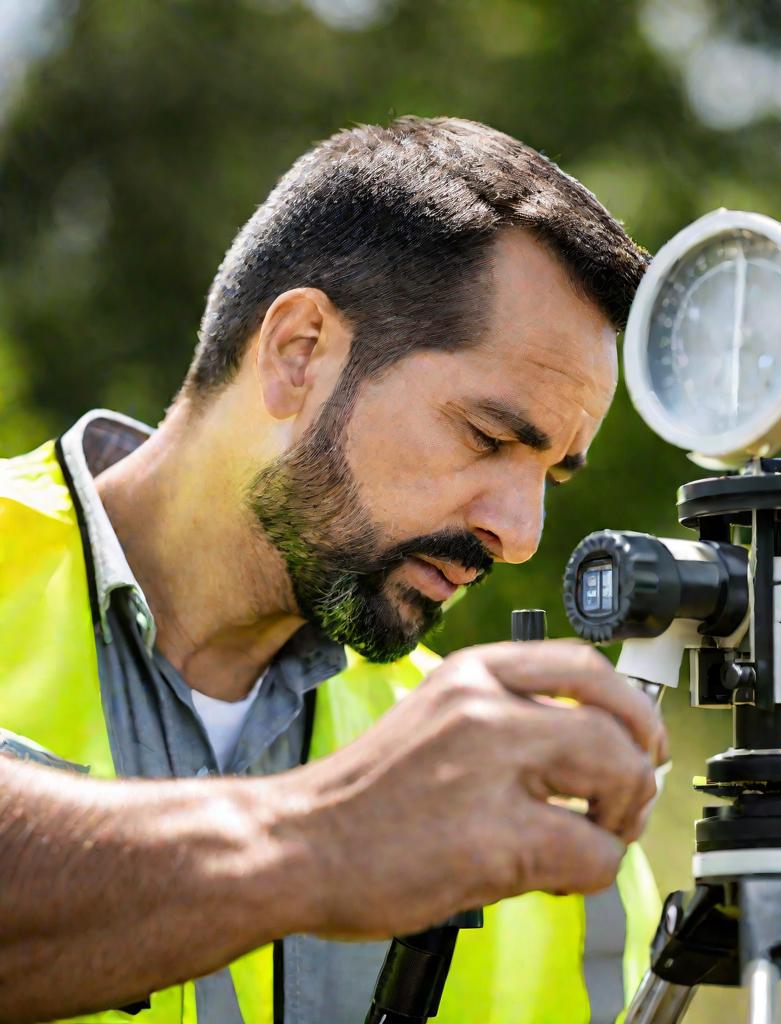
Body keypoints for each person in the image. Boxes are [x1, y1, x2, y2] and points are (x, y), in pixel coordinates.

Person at [0, 116, 663, 1024]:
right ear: (299, 351)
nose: (520, 536)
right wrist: (315, 843)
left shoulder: (520, 798)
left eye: (549, 475)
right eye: (489, 436)